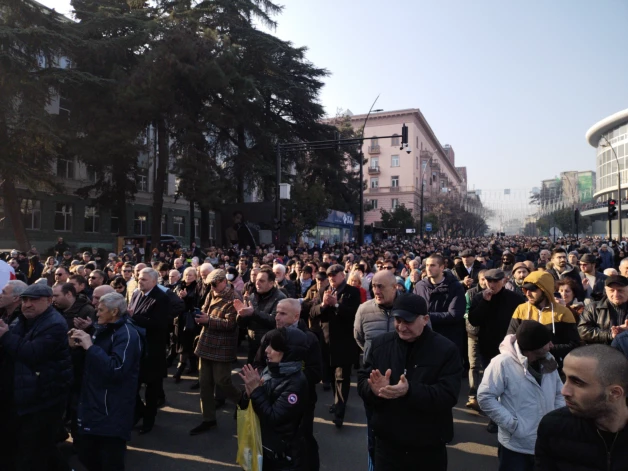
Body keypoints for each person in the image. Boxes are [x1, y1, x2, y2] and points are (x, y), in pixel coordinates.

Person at [357, 293, 462, 471]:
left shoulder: (446, 350)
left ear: (425, 319)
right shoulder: (380, 345)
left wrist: (410, 390)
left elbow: (448, 395)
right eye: (398, 320)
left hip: (427, 447)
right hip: (387, 444)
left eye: (408, 321)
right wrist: (373, 389)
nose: (401, 327)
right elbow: (363, 380)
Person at [0, 284, 73, 470]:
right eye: (25, 300)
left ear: (49, 301)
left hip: (43, 399)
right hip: (25, 396)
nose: (28, 304)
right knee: (31, 448)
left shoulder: (54, 324)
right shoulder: (24, 319)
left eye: (34, 300)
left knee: (32, 454)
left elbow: (32, 353)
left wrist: (5, 335)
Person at [69, 293, 144, 471]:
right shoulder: (103, 329)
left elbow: (116, 369)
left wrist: (90, 347)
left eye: (101, 310)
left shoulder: (127, 333)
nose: (97, 312)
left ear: (114, 312)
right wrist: (77, 346)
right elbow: (93, 362)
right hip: (94, 403)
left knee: (110, 461)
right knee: (86, 454)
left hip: (112, 408)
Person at [478, 321, 564, 471]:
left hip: (545, 444)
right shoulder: (502, 364)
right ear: (532, 348)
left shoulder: (549, 361)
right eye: (546, 343)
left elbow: (559, 393)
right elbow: (485, 397)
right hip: (515, 448)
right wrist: (513, 425)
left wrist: (554, 420)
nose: (551, 345)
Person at [253, 298, 322, 471]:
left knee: (302, 441)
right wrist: (264, 378)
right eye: (276, 312)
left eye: (283, 313)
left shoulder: (309, 339)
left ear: (296, 316)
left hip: (300, 402)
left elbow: (316, 371)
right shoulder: (271, 336)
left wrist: (289, 380)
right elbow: (258, 363)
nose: (277, 317)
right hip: (270, 397)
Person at [535, 345, 628, 469]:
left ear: (614, 393)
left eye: (578, 383)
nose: (564, 390)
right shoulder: (553, 427)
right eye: (565, 378)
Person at [239, 328, 308, 470]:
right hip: (261, 446)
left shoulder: (295, 382)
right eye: (267, 345)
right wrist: (247, 395)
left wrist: (256, 391)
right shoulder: (270, 370)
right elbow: (247, 406)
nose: (267, 350)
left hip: (280, 455)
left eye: (274, 347)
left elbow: (274, 418)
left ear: (288, 352)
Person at [353, 269, 399, 468]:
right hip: (374, 381)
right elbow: (359, 338)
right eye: (373, 286)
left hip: (401, 381)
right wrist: (376, 355)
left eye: (381, 286)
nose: (376, 290)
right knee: (374, 431)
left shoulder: (410, 307)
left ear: (395, 287)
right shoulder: (364, 309)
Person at [191, 269, 243, 435]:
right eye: (209, 285)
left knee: (222, 381)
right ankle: (208, 419)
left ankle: (242, 401)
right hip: (206, 342)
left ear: (223, 281)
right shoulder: (211, 293)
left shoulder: (234, 297)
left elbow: (231, 324)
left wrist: (208, 320)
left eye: (214, 284)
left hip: (223, 345)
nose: (211, 288)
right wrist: (200, 317)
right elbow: (205, 309)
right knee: (205, 384)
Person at [309, 264, 361, 428]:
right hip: (326, 341)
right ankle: (337, 402)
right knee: (331, 376)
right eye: (329, 275)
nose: (331, 278)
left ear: (342, 275)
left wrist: (336, 305)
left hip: (344, 342)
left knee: (342, 378)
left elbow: (353, 313)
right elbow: (312, 312)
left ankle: (340, 412)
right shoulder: (322, 291)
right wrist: (324, 305)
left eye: (334, 274)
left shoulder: (352, 292)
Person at [128, 267, 170, 434]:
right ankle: (139, 412)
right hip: (137, 348)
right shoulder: (137, 293)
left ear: (154, 281)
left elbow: (159, 324)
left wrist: (134, 317)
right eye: (139, 278)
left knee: (152, 389)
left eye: (144, 279)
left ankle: (149, 420)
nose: (140, 281)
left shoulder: (161, 298)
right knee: (133, 386)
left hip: (153, 350)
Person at [507, 271, 580, 368]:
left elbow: (574, 344)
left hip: (555, 368)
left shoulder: (564, 312)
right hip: (524, 367)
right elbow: (510, 339)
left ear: (545, 290)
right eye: (525, 289)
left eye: (532, 289)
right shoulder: (521, 309)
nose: (528, 293)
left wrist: (548, 349)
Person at [413, 254, 466, 350]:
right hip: (423, 338)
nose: (428, 268)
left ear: (442, 267)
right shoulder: (420, 286)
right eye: (427, 265)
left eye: (432, 265)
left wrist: (427, 317)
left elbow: (455, 315)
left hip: (448, 339)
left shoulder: (455, 287)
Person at [236, 267, 286, 364]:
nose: (257, 283)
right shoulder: (253, 296)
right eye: (257, 280)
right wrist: (241, 315)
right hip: (252, 345)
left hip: (270, 346)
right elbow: (243, 325)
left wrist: (253, 313)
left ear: (271, 283)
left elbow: (275, 321)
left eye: (262, 281)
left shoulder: (280, 298)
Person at [579, 275, 628, 345]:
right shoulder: (592, 308)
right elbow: (583, 331)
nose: (616, 294)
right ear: (606, 290)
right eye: (612, 290)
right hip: (601, 352)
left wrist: (626, 333)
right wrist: (610, 334)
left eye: (620, 290)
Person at [173, 267, 202, 383]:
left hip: (190, 320)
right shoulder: (180, 286)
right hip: (179, 320)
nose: (188, 277)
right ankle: (192, 367)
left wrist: (186, 298)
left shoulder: (197, 287)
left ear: (195, 276)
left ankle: (179, 370)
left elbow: (195, 305)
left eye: (191, 275)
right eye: (186, 274)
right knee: (181, 343)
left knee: (186, 345)